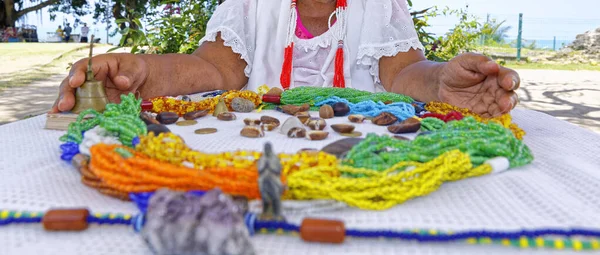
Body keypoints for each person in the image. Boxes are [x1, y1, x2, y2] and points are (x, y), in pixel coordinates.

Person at [51, 0, 520, 118]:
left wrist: (441, 83)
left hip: (362, 149)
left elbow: (403, 75)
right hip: (254, 148)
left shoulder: (380, 5)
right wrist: (144, 72)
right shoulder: (248, 4)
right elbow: (215, 69)